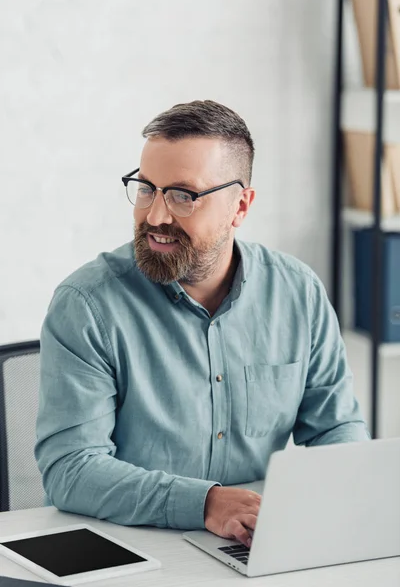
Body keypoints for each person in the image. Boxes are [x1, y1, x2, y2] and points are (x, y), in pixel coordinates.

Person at [35, 100, 369, 549]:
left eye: (182, 196)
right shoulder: (87, 305)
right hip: (132, 551)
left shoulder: (298, 293)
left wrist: (341, 506)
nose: (154, 216)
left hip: (256, 542)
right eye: (147, 188)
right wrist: (204, 503)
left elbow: (335, 428)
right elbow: (71, 468)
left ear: (240, 207)